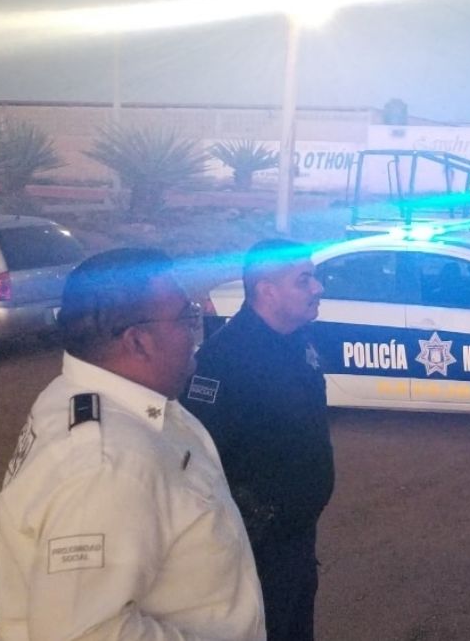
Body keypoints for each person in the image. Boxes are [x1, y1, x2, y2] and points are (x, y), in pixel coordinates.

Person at [0, 248, 264, 640]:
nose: (196, 328)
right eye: (186, 317)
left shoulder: (89, 396)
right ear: (138, 342)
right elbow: (82, 633)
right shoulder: (106, 467)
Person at [184, 238, 333, 641]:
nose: (318, 288)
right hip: (255, 549)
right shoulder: (224, 360)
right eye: (304, 280)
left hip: (296, 539)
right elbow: (201, 462)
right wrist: (256, 524)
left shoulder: (297, 339)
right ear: (267, 291)